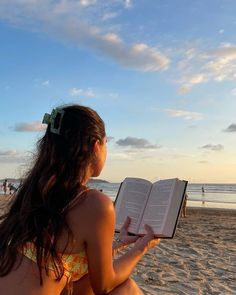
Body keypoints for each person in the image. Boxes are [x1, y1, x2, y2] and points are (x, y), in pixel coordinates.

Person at [0, 104, 160, 295]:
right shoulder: (94, 203)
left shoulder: (35, 192)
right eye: (106, 143)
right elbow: (105, 285)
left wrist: (118, 243)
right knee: (126, 289)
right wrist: (140, 248)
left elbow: (68, 255)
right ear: (96, 146)